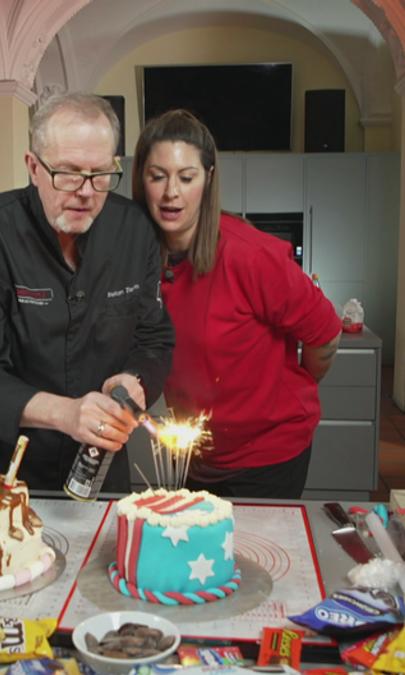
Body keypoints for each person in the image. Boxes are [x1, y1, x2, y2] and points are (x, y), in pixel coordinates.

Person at [0, 92, 175, 492]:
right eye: (67, 173)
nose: (85, 191)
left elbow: (154, 338)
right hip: (2, 469)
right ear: (33, 166)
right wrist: (67, 414)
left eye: (100, 174)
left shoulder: (135, 232)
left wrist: (135, 380)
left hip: (100, 466)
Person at [132, 110, 342, 499]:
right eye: (157, 176)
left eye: (186, 177)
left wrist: (289, 390)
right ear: (140, 180)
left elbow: (326, 334)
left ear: (208, 179)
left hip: (269, 454)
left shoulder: (251, 255)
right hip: (196, 452)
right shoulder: (138, 261)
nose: (170, 192)